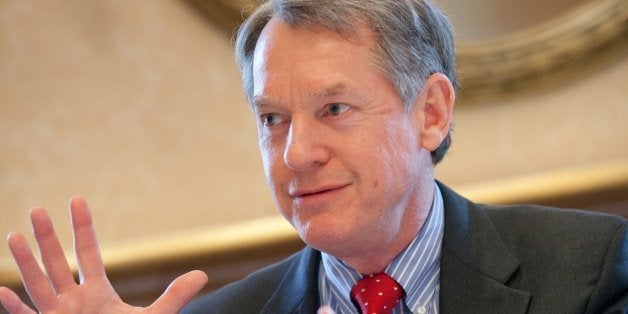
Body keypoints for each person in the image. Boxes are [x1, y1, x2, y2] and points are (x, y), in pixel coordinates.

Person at [1, 0, 626, 313]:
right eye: (273, 120)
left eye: (334, 110)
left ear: (430, 112)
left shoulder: (587, 272)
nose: (295, 154)